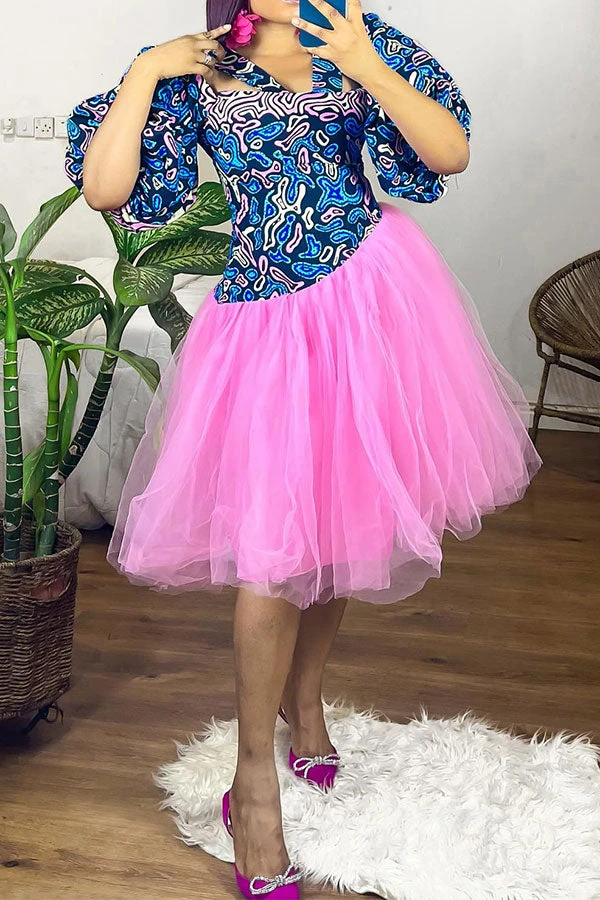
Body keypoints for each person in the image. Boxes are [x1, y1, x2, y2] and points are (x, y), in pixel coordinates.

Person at [64, 1, 543, 896]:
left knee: (340, 525)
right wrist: (145, 71)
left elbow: (447, 153)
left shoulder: (357, 36)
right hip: (266, 330)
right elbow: (107, 189)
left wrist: (365, 61)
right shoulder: (202, 62)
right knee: (272, 555)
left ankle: (307, 702)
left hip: (371, 305)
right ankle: (253, 780)